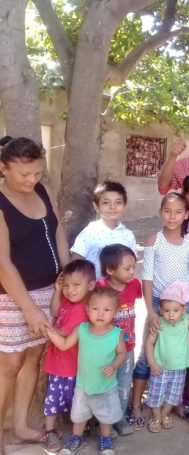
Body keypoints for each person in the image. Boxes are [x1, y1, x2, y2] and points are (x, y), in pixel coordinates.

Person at [0, 137, 69, 451]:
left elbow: (57, 231)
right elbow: (2, 263)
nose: (31, 180)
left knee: (32, 358)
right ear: (4, 169)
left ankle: (20, 426)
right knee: (10, 364)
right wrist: (29, 309)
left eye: (37, 173)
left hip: (48, 290)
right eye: (24, 174)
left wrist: (67, 273)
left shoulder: (42, 190)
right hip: (12, 296)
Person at [129, 192, 189, 429]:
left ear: (186, 214)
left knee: (181, 350)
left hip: (185, 305)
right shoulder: (153, 241)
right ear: (160, 213)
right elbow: (147, 278)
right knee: (147, 352)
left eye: (178, 212)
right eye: (167, 211)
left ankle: (176, 401)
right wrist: (151, 311)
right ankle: (136, 403)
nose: (172, 216)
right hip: (159, 303)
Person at [46, 287, 126, 455]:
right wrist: (49, 330)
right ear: (87, 310)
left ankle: (105, 439)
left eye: (106, 310)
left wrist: (113, 366)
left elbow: (121, 354)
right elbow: (64, 345)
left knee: (106, 416)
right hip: (83, 385)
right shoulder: (81, 329)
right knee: (79, 415)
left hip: (106, 386)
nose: (100, 314)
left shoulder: (116, 333)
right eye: (95, 308)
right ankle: (76, 438)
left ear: (115, 312)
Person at [41, 260, 95, 452]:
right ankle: (50, 431)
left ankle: (77, 432)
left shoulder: (81, 309)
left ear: (91, 285)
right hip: (57, 363)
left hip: (73, 366)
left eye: (76, 285)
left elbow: (63, 333)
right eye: (66, 285)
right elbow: (55, 311)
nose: (70, 290)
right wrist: (57, 291)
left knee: (76, 401)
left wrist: (44, 328)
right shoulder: (68, 301)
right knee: (52, 399)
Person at [97, 244, 142, 436]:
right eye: (127, 268)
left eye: (133, 267)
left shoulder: (135, 285)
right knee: (105, 384)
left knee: (124, 383)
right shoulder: (100, 288)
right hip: (105, 349)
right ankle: (102, 420)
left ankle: (119, 418)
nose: (132, 271)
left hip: (128, 347)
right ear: (110, 270)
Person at [145, 281, 189, 434]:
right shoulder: (158, 323)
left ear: (184, 309)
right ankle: (156, 417)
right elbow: (149, 344)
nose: (171, 314)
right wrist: (152, 363)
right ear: (160, 310)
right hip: (159, 369)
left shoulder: (186, 322)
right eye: (166, 310)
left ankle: (164, 414)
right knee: (155, 395)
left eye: (175, 310)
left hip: (179, 369)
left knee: (173, 396)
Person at [70, 181, 137, 280]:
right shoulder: (89, 233)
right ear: (96, 206)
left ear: (124, 206)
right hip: (93, 288)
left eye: (118, 202)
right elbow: (74, 264)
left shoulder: (128, 235)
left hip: (120, 288)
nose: (112, 207)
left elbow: (131, 264)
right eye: (106, 202)